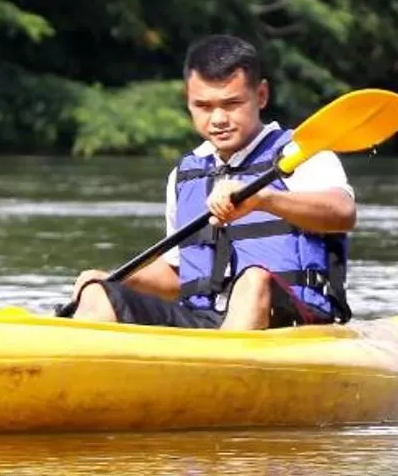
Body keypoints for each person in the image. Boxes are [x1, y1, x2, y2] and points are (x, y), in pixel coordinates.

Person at [65, 35, 354, 330]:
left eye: (232, 104)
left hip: (290, 320)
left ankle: (228, 368)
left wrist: (264, 199)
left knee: (254, 280)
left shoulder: (300, 153)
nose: (218, 119)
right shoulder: (185, 174)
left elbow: (342, 214)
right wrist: (118, 280)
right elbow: (179, 275)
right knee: (98, 291)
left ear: (262, 95)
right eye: (203, 106)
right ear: (188, 102)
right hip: (203, 321)